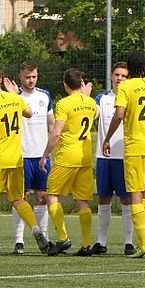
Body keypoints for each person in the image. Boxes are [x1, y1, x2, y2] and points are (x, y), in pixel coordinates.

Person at [0, 67, 48, 256]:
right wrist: (14, 94)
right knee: (18, 199)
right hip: (16, 159)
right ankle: (36, 229)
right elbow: (29, 113)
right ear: (1, 80)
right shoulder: (15, 99)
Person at [101, 50, 145, 258]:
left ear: (128, 68)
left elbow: (119, 114)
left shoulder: (126, 87)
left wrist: (107, 138)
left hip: (136, 145)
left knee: (135, 192)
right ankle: (144, 242)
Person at [39, 69, 97, 256]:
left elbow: (56, 133)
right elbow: (94, 115)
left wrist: (45, 155)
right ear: (81, 83)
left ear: (65, 85)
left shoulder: (64, 103)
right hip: (85, 157)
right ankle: (86, 244)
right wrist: (85, 97)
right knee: (82, 200)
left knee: (52, 195)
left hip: (67, 156)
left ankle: (63, 238)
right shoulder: (90, 102)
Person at [92, 62, 136, 255]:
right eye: (117, 74)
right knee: (103, 198)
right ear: (111, 76)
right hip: (104, 157)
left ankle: (129, 242)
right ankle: (101, 242)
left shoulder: (131, 98)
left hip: (125, 156)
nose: (119, 78)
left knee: (126, 199)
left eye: (124, 76)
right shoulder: (101, 98)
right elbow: (90, 113)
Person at [11, 60, 53, 254]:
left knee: (42, 197)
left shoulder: (44, 96)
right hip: (22, 155)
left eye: (34, 76)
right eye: (27, 77)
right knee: (21, 197)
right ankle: (19, 240)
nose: (31, 80)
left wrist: (50, 148)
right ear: (20, 76)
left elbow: (51, 124)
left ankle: (44, 238)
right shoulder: (14, 96)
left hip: (41, 155)